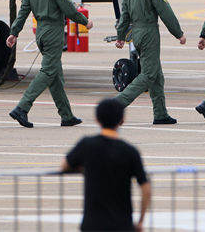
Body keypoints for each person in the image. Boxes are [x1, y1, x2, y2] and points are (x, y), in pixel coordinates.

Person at [7, 0, 93, 128]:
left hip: (40, 32)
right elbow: (69, 10)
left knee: (55, 76)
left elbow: (23, 11)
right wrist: (85, 22)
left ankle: (66, 115)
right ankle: (22, 107)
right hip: (53, 31)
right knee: (48, 72)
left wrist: (14, 32)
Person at [115, 0, 186, 125]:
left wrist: (121, 35)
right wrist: (179, 33)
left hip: (136, 33)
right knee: (148, 74)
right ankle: (117, 104)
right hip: (148, 32)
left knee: (157, 75)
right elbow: (165, 12)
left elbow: (125, 14)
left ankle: (160, 114)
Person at [61, 98, 151, 232]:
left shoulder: (87, 145)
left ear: (97, 119)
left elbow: (64, 166)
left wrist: (85, 168)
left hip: (93, 224)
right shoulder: (130, 151)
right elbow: (145, 188)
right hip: (122, 225)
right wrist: (141, 221)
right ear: (122, 120)